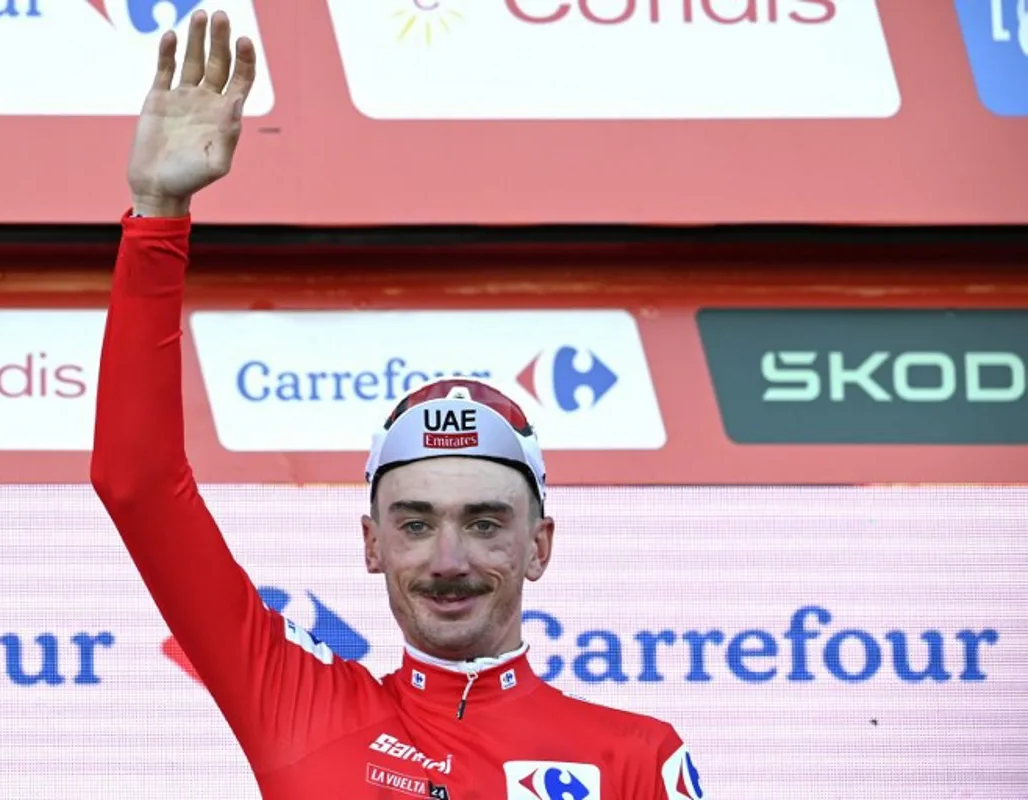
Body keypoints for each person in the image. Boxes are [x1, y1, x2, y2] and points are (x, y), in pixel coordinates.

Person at [90, 9, 705, 799]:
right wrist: (156, 215)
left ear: (539, 546)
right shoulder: (297, 702)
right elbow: (134, 482)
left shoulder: (636, 758)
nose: (448, 562)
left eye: (485, 522)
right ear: (372, 544)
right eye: (415, 523)